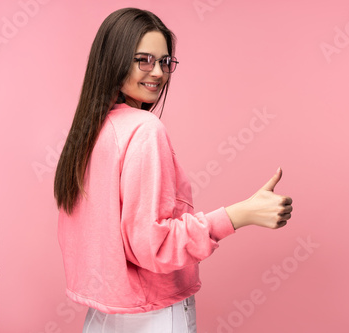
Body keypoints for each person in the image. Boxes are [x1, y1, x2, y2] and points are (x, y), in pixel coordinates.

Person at [53, 7, 293, 333]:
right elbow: (156, 246)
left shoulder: (89, 132)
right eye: (144, 60)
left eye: (165, 62)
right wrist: (241, 214)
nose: (158, 73)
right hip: (154, 316)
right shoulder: (144, 129)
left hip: (102, 318)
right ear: (114, 60)